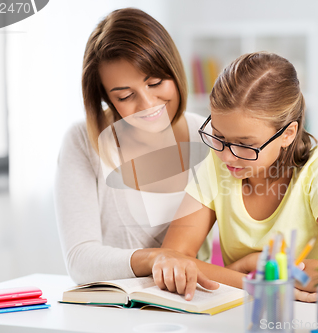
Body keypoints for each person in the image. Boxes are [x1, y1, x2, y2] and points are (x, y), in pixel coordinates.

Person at [146, 52, 318, 303]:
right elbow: (173, 259)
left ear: (287, 134)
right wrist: (250, 274)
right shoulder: (215, 163)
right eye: (219, 137)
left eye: (245, 145)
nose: (227, 157)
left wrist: (240, 269)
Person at [54, 7, 213, 284]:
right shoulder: (82, 141)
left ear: (174, 70)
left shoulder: (210, 138)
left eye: (155, 82)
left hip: (193, 306)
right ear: (106, 98)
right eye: (126, 96)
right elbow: (80, 260)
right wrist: (156, 259)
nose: (148, 105)